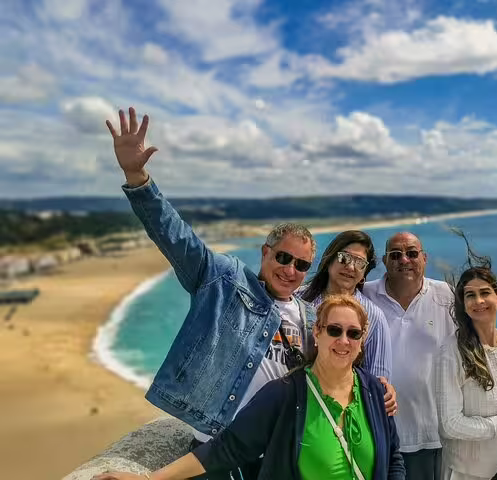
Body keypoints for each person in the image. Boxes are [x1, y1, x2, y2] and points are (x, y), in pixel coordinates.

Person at [105, 108, 392, 479]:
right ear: (265, 252)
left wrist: (377, 389)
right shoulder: (224, 281)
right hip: (217, 445)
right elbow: (175, 236)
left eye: (302, 265)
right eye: (283, 258)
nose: (291, 270)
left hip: (276, 448)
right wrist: (137, 177)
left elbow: (331, 373)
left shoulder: (309, 316)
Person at [93, 294, 406, 480]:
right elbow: (226, 447)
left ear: (362, 340)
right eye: (335, 330)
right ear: (318, 332)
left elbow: (393, 456)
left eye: (353, 333)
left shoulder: (373, 392)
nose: (343, 340)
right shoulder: (284, 394)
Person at [363, 232, 455, 480]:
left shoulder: (447, 296)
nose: (404, 260)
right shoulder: (364, 296)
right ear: (384, 261)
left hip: (431, 435)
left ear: (424, 258)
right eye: (395, 255)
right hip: (377, 432)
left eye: (412, 253)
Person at [434, 258, 497, 480]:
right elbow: (450, 424)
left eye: (485, 293)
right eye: (470, 295)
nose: (479, 301)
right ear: (463, 303)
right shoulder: (451, 351)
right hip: (468, 473)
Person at [301, 230, 393, 382]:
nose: (350, 267)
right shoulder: (299, 299)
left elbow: (377, 381)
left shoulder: (374, 316)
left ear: (364, 273)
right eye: (344, 258)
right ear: (329, 260)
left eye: (359, 263)